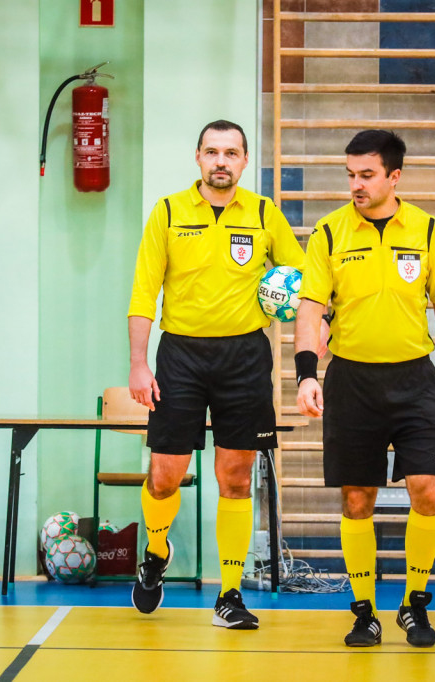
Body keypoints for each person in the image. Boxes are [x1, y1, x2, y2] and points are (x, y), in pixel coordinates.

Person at [127, 120, 305, 630]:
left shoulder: (265, 213)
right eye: (212, 152)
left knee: (235, 479)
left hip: (245, 356)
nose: (221, 161)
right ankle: (156, 553)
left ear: (245, 161)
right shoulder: (168, 211)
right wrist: (139, 363)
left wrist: (303, 309)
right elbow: (144, 293)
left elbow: (299, 279)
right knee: (165, 475)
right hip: (180, 355)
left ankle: (229, 594)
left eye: (231, 152)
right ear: (198, 158)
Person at [294, 130, 435, 648]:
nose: (355, 185)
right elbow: (309, 309)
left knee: (427, 493)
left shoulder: (428, 229)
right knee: (356, 499)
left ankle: (414, 604)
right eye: (350, 174)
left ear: (394, 176)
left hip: (415, 379)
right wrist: (305, 373)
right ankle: (363, 610)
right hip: (351, 381)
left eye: (366, 175)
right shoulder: (328, 233)